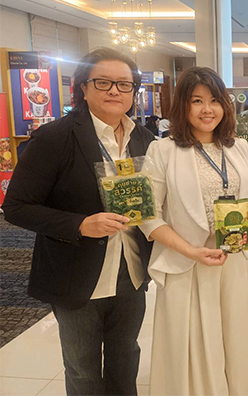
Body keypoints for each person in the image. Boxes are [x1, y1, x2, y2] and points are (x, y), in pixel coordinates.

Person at [3, 47, 155, 395]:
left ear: (134, 91)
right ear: (83, 87)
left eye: (124, 84)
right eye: (103, 82)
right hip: (76, 273)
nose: (114, 91)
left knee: (125, 359)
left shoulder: (146, 141)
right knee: (83, 370)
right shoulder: (54, 138)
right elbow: (17, 207)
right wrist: (79, 224)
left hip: (131, 271)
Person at [139, 67, 248, 395]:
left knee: (233, 338)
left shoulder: (238, 147)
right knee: (191, 346)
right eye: (197, 101)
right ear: (183, 105)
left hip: (232, 258)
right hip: (187, 261)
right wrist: (191, 251)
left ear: (225, 104)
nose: (207, 109)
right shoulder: (162, 150)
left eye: (214, 100)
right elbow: (147, 216)